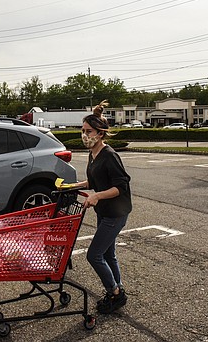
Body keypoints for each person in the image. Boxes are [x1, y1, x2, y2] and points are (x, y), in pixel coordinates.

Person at [73, 100, 132, 314]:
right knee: (108, 254)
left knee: (94, 255)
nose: (84, 135)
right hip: (104, 211)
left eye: (88, 131)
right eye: (83, 131)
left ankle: (114, 292)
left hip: (116, 213)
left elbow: (121, 186)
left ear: (100, 133)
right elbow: (94, 181)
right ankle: (118, 290)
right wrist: (72, 186)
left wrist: (97, 196)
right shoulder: (93, 154)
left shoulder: (109, 155)